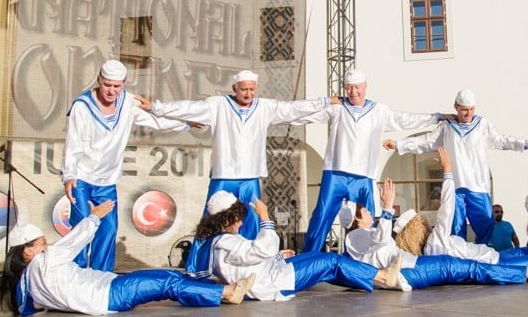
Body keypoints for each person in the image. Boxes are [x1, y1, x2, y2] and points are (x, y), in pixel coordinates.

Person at [137, 70, 333, 239]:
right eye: (243, 89)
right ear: (234, 88)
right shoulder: (218, 105)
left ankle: (252, 261)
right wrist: (156, 107)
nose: (248, 94)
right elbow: (188, 107)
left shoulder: (265, 107)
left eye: (251, 89)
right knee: (212, 220)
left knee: (252, 219)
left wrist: (324, 102)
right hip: (225, 175)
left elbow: (292, 109)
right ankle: (200, 266)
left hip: (250, 175)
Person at [0, 201, 255, 317]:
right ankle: (227, 292)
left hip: (106, 292)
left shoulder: (29, 286)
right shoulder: (44, 261)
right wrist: (94, 217)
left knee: (169, 277)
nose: (47, 244)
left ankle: (218, 291)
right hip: (110, 293)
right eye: (41, 243)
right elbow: (72, 241)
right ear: (27, 251)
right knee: (167, 284)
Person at [390, 148, 528, 279]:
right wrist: (448, 172)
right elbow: (446, 210)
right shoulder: (436, 241)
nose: (428, 224)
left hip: (494, 257)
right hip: (494, 260)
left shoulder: (427, 253)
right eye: (422, 223)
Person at [62, 60, 187, 271]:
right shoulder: (82, 106)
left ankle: (101, 279)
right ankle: (75, 279)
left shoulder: (127, 102)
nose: (111, 90)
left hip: (107, 180)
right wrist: (69, 175)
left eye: (116, 86)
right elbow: (72, 142)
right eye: (107, 85)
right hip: (82, 177)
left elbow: (154, 121)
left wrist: (185, 122)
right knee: (82, 229)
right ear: (99, 80)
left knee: (108, 230)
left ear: (124, 84)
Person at [298, 69, 442, 252]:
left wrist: (436, 118)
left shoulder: (378, 111)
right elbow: (304, 113)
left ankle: (370, 258)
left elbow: (406, 119)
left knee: (368, 220)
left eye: (357, 87)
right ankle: (308, 257)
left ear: (365, 87)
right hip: (335, 172)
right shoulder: (338, 107)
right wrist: (325, 101)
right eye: (349, 88)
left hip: (363, 175)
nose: (353, 92)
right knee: (321, 216)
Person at [384, 89, 528, 245]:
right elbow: (426, 141)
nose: (468, 114)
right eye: (464, 110)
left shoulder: (482, 125)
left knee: (486, 226)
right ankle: (460, 262)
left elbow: (501, 140)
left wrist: (526, 143)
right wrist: (399, 144)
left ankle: (483, 257)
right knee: (456, 229)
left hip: (478, 186)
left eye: (471, 109)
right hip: (456, 186)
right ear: (456, 107)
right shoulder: (447, 127)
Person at [185, 191, 404, 300]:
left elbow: (247, 262)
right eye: (237, 219)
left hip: (275, 271)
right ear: (225, 220)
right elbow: (263, 248)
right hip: (277, 281)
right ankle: (384, 277)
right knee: (330, 260)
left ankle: (370, 277)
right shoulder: (225, 242)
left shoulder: (218, 244)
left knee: (321, 260)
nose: (241, 223)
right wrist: (264, 216)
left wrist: (278, 257)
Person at [343, 178, 528, 288]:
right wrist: (387, 208)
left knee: (471, 269)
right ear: (357, 219)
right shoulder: (354, 236)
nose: (370, 212)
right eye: (365, 211)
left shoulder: (361, 237)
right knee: (471, 269)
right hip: (408, 269)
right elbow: (380, 239)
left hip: (409, 267)